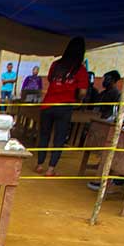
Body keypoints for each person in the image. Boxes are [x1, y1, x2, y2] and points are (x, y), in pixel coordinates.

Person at [36, 36, 88, 176]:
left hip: (48, 104)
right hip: (65, 106)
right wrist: (78, 98)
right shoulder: (80, 70)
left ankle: (39, 164)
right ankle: (51, 169)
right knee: (59, 137)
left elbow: (50, 79)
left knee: (44, 135)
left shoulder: (56, 65)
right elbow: (83, 92)